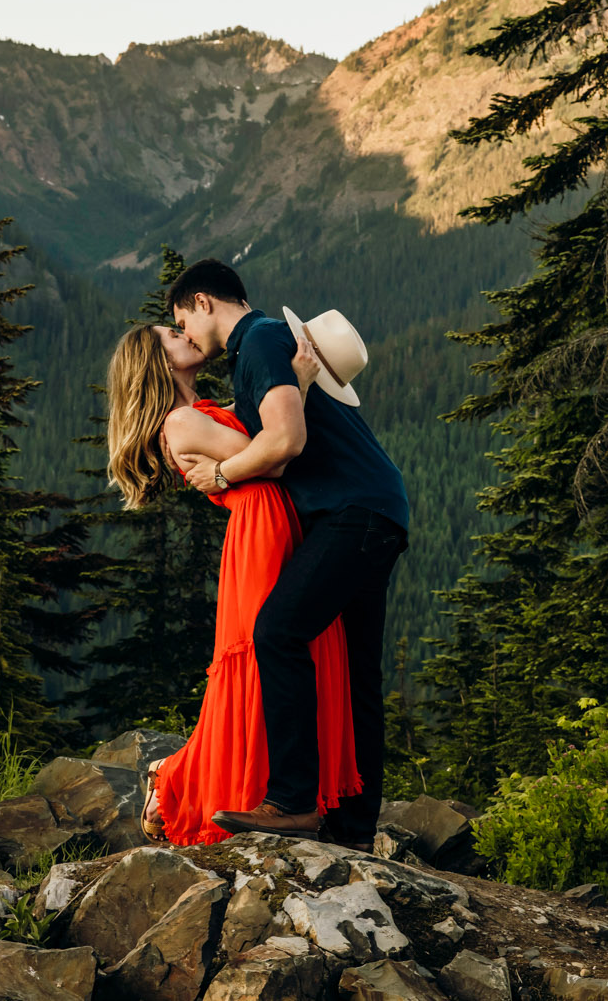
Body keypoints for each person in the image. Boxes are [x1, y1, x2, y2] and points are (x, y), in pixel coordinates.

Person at [165, 258, 409, 852]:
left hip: (352, 512)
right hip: (373, 509)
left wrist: (220, 473)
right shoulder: (263, 347)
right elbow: (278, 443)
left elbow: (285, 441)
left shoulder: (260, 338)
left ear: (202, 302)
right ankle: (351, 831)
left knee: (275, 630)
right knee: (356, 678)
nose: (188, 336)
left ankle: (294, 803)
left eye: (181, 321)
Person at [103, 322, 360, 845]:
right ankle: (190, 780)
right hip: (261, 530)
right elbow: (273, 453)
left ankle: (270, 791)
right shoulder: (179, 423)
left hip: (275, 523)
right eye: (171, 335)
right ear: (158, 359)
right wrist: (301, 385)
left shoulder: (195, 410)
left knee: (279, 656)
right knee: (263, 657)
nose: (185, 336)